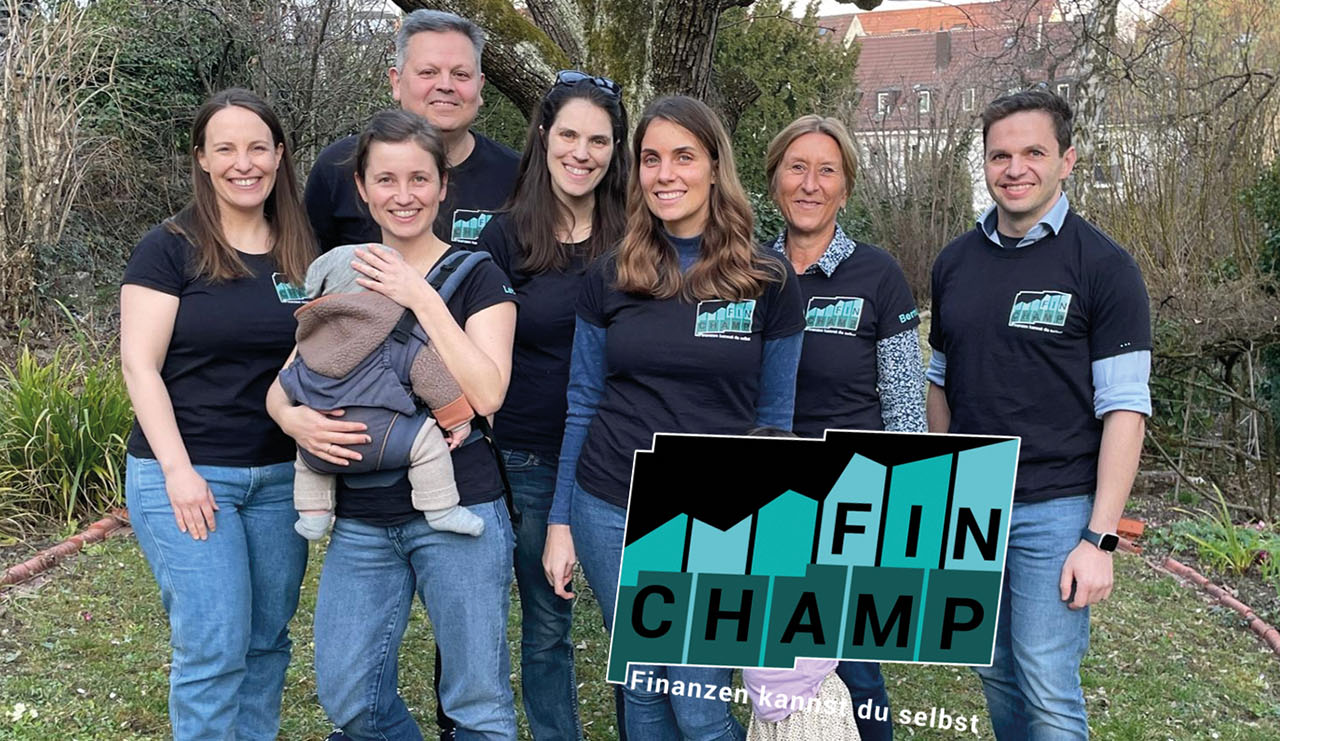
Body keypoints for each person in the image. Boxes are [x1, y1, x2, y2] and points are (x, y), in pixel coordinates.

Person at [543, 95, 806, 741]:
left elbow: (776, 419)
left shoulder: (767, 279)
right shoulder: (610, 274)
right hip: (610, 504)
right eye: (651, 158)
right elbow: (583, 402)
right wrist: (560, 522)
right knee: (641, 685)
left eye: (683, 157)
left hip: (717, 517)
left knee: (700, 707)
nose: (665, 174)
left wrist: (772, 538)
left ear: (715, 166)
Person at [268, 109, 519, 740]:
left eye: (418, 179)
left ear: (442, 185)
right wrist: (297, 422)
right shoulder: (342, 273)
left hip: (461, 505)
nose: (403, 195)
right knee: (348, 694)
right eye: (385, 179)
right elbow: (286, 382)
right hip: (363, 517)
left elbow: (487, 393)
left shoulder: (478, 275)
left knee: (477, 702)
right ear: (362, 188)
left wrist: (420, 295)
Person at [926, 89, 1152, 740]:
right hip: (970, 506)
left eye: (1033, 152)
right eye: (1000, 155)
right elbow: (940, 381)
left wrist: (1099, 539)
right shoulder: (954, 263)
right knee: (994, 671)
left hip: (1055, 510)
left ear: (1066, 160)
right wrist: (940, 484)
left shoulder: (1105, 267)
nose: (1015, 168)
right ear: (985, 163)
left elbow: (1126, 408)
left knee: (1048, 685)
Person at [120, 87, 318, 740]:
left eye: (258, 147)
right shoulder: (168, 248)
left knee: (265, 641)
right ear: (202, 158)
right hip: (189, 473)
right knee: (213, 644)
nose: (244, 163)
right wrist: (179, 473)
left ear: (279, 155)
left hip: (280, 478)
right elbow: (139, 366)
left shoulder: (302, 251)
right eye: (225, 148)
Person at [763, 115, 926, 741]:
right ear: (775, 179)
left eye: (826, 171)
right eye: (797, 168)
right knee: (765, 661)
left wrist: (904, 503)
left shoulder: (877, 274)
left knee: (853, 666)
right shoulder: (745, 268)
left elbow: (904, 400)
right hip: (761, 494)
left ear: (846, 188)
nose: (810, 184)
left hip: (851, 498)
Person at [476, 69, 628, 741]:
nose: (581, 153)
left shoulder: (636, 236)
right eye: (569, 135)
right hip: (531, 454)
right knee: (546, 624)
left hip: (624, 455)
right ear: (543, 136)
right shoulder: (505, 238)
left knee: (634, 622)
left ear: (615, 150)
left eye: (599, 140)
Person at [279, 241, 485, 541]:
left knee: (306, 461)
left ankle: (313, 515)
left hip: (325, 445)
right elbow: (432, 378)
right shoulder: (398, 336)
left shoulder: (310, 345)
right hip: (390, 440)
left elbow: (288, 381)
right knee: (429, 445)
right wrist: (458, 421)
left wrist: (290, 413)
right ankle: (441, 508)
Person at [304, 9, 519, 252]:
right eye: (428, 72)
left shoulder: (518, 177)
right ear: (396, 82)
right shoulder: (338, 167)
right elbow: (305, 266)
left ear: (480, 87)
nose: (445, 85)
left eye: (461, 74)